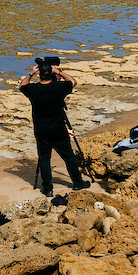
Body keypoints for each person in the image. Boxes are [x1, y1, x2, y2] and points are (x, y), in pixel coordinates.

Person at [19, 58, 90, 197]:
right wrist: (59, 72)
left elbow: (22, 86)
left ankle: (48, 189)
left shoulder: (34, 89)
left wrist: (30, 73)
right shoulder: (59, 87)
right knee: (69, 156)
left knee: (44, 159)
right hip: (58, 129)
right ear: (51, 73)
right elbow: (73, 82)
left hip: (41, 131)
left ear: (40, 74)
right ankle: (77, 182)